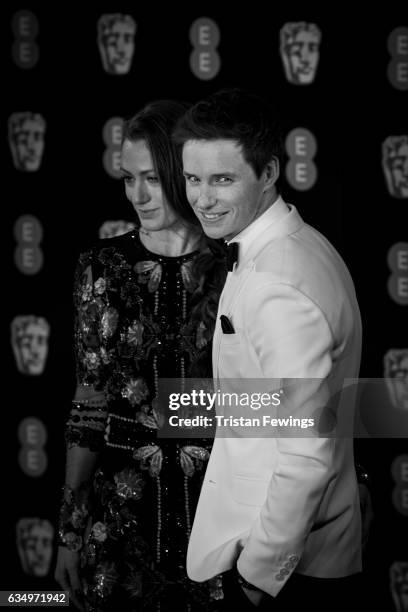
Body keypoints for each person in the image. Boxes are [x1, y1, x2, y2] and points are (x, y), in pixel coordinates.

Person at [173, 88, 364, 610]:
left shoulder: (277, 282)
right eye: (193, 179)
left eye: (222, 179)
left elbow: (306, 450)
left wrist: (257, 576)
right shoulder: (291, 244)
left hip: (289, 568)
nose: (202, 199)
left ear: (270, 172)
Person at [54, 99, 226, 612]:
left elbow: (276, 396)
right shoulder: (101, 265)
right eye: (128, 179)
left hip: (217, 506)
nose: (139, 194)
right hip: (121, 515)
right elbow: (89, 402)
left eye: (151, 176)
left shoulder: (234, 265)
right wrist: (70, 529)